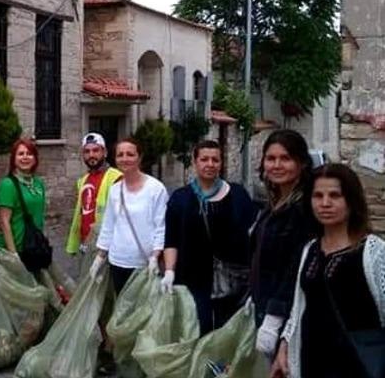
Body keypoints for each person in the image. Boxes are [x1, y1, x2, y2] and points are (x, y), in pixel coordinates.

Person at [272, 164, 385, 378]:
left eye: (335, 195)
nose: (325, 203)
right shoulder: (310, 250)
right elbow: (299, 308)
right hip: (312, 362)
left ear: (351, 201)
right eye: (318, 196)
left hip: (358, 366)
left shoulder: (373, 252)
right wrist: (285, 346)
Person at [161, 140, 257, 333]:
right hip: (191, 280)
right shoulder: (180, 198)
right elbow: (171, 239)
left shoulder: (238, 195)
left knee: (225, 335)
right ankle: (200, 355)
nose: (210, 164)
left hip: (232, 280)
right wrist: (169, 271)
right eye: (204, 159)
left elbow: (253, 235)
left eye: (215, 160)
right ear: (195, 162)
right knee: (197, 331)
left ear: (221, 163)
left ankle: (220, 356)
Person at [251, 130, 320, 358]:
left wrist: (274, 318)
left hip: (290, 317)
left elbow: (295, 266)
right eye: (271, 158)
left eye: (286, 158)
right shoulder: (274, 204)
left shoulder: (304, 209)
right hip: (263, 305)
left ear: (301, 163)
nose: (277, 165)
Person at [90, 137, 168, 294]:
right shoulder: (115, 190)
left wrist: (155, 256)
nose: (125, 159)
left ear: (140, 157)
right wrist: (99, 257)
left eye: (130, 154)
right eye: (120, 155)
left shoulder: (156, 189)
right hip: (118, 261)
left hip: (144, 264)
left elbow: (161, 226)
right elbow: (109, 225)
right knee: (122, 306)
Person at [65, 133, 123, 277]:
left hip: (106, 247)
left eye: (96, 150)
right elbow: (81, 214)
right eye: (87, 151)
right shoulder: (83, 180)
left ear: (105, 152)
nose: (91, 155)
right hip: (85, 245)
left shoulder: (116, 177)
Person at [0, 138, 46, 254]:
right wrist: (13, 254)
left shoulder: (38, 183)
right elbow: (4, 222)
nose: (25, 157)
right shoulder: (8, 184)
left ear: (35, 159)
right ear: (13, 159)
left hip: (34, 246)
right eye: (20, 154)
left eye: (29, 154)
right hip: (16, 248)